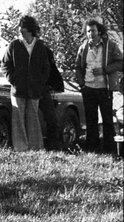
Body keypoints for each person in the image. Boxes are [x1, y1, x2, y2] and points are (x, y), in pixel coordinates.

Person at [2, 15, 51, 151]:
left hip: (34, 90)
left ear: (29, 29)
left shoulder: (40, 46)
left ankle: (36, 148)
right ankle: (20, 148)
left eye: (22, 27)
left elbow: (46, 68)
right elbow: (5, 64)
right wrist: (13, 80)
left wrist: (40, 83)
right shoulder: (14, 45)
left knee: (33, 118)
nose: (20, 30)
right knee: (18, 119)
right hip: (18, 90)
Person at [74, 18, 123, 154]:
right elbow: (78, 67)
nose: (91, 34)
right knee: (91, 120)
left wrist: (105, 69)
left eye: (93, 31)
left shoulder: (110, 45)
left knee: (107, 120)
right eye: (88, 31)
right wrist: (81, 83)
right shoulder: (83, 48)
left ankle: (110, 150)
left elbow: (120, 63)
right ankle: (92, 150)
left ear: (99, 31)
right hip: (88, 89)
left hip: (104, 89)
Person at [40, 44, 65, 151]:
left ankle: (52, 145)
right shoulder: (19, 47)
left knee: (51, 119)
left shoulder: (44, 50)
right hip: (27, 89)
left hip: (43, 88)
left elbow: (51, 70)